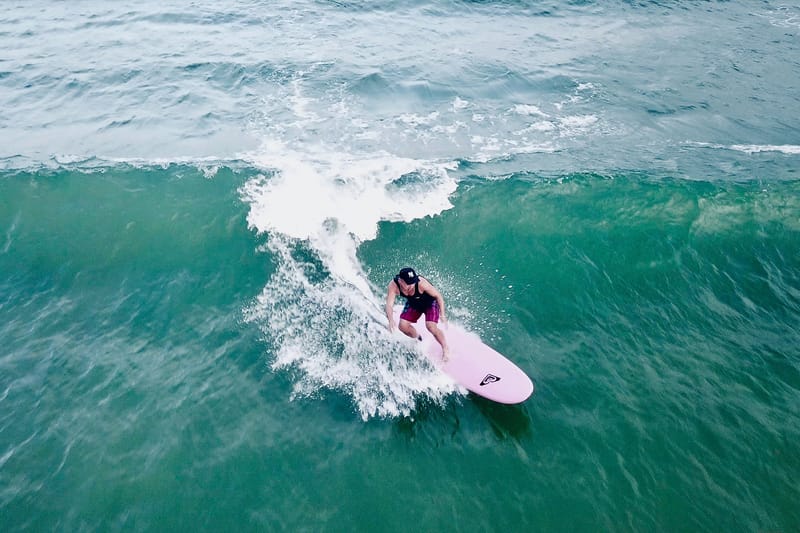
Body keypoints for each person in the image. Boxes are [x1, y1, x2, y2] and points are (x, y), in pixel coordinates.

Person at [385, 267, 450, 360]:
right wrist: (390, 320)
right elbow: (389, 304)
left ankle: (445, 347)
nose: (412, 285)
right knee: (402, 326)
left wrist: (442, 314)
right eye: (409, 283)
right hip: (414, 303)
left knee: (431, 326)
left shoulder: (421, 283)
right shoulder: (393, 285)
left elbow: (438, 296)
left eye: (413, 281)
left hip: (430, 303)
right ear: (400, 281)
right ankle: (418, 339)